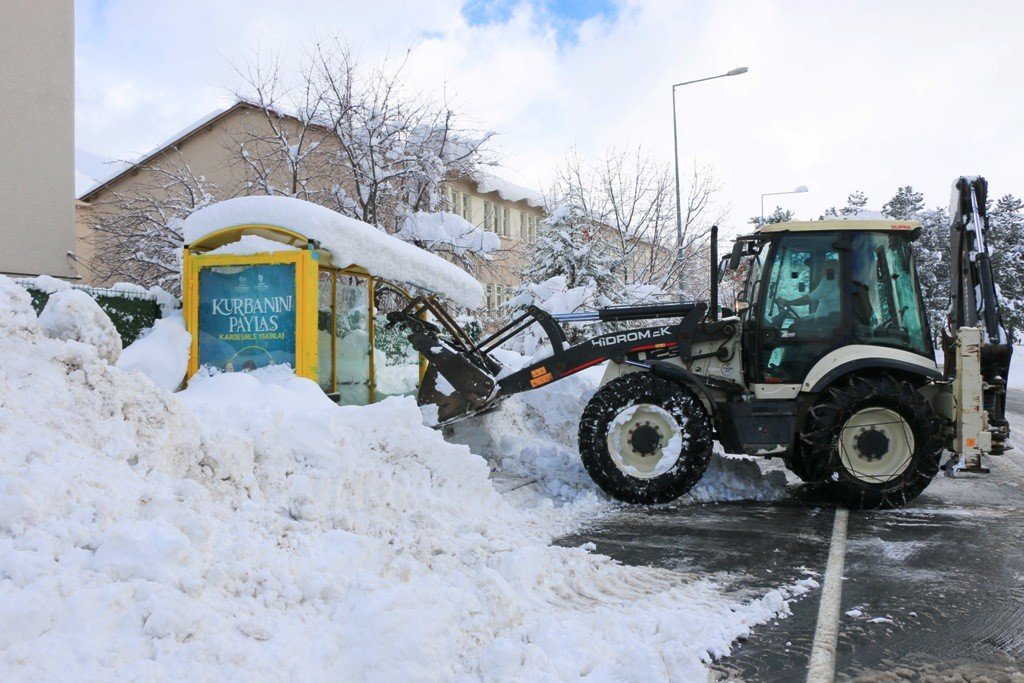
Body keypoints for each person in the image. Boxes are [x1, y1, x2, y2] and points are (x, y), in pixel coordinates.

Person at [775, 256, 840, 319]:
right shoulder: (839, 281)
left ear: (829, 270)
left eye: (823, 268)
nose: (821, 272)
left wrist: (788, 302)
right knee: (801, 321)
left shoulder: (829, 281)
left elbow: (808, 299)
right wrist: (803, 319)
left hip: (825, 322)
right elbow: (828, 308)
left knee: (793, 327)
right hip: (831, 318)